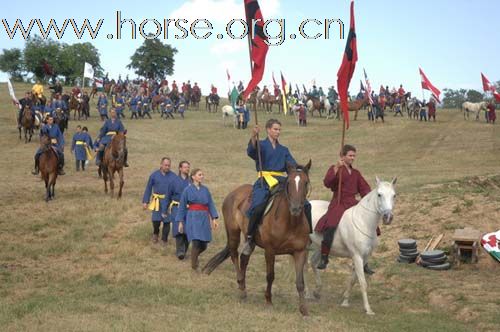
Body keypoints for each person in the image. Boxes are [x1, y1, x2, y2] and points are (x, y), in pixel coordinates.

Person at [242, 118, 312, 255]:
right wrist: (253, 137)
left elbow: (291, 165)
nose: (277, 132)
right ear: (268, 130)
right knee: (258, 205)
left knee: (306, 204)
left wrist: (301, 169)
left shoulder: (283, 149)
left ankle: (308, 235)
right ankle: (250, 238)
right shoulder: (261, 145)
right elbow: (251, 152)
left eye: (279, 129)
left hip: (281, 181)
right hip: (264, 180)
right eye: (275, 129)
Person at [315, 144, 375, 273]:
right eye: (350, 155)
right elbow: (327, 182)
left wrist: (368, 199)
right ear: (343, 156)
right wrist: (336, 167)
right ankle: (324, 256)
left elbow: (364, 188)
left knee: (371, 226)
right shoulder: (336, 169)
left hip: (352, 202)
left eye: (354, 156)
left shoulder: (356, 173)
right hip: (338, 202)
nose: (353, 158)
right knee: (330, 224)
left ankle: (365, 261)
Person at [176, 168, 219, 271]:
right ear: (193, 177)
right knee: (196, 241)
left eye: (202, 175)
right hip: (193, 217)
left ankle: (193, 257)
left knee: (204, 245)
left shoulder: (205, 190)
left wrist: (214, 218)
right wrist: (180, 222)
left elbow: (210, 204)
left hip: (204, 217)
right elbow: (182, 206)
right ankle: (194, 266)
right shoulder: (187, 190)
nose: (202, 176)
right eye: (199, 175)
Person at [143, 157, 178, 245]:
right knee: (156, 220)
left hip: (168, 202)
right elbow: (148, 188)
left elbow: (177, 189)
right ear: (161, 165)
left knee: (167, 221)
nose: (167, 167)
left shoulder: (174, 176)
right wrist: (145, 201)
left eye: (169, 165)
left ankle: (164, 239)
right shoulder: (154, 175)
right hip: (157, 201)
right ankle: (155, 233)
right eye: (165, 165)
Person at [169, 161, 191, 259]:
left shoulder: (192, 181)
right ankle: (180, 251)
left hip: (189, 208)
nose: (187, 169)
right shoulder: (174, 181)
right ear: (180, 168)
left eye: (188, 167)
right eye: (185, 167)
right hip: (177, 207)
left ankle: (184, 249)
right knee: (179, 229)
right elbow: (168, 195)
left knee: (188, 229)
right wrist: (165, 209)